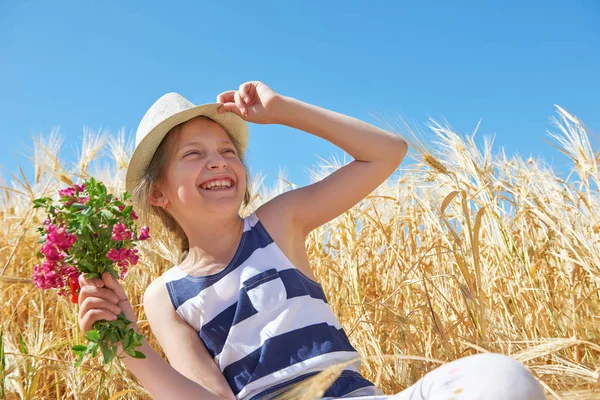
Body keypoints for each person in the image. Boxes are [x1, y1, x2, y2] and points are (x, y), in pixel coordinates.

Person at [77, 81, 546, 400]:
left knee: (502, 376)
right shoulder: (166, 296)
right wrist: (127, 348)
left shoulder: (278, 223)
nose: (218, 162)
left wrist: (284, 112)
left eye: (227, 151)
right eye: (194, 154)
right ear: (157, 193)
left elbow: (385, 153)